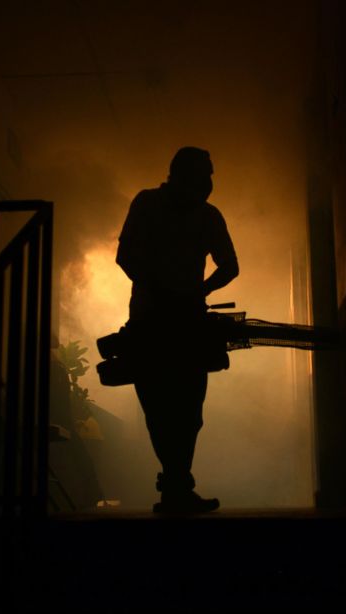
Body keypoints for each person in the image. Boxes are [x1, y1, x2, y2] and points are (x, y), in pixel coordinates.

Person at [115, 146, 239, 514]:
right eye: (206, 175)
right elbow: (228, 267)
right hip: (170, 320)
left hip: (160, 318)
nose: (210, 183)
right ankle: (177, 486)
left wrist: (177, 291)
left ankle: (175, 485)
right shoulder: (192, 213)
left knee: (175, 407)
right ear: (184, 175)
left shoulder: (158, 206)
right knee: (176, 405)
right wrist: (192, 292)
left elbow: (127, 256)